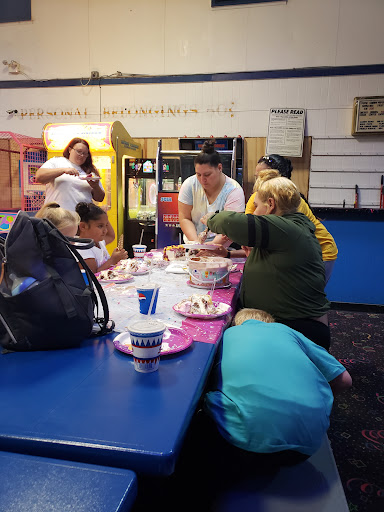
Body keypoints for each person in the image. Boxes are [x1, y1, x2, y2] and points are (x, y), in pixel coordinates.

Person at [202, 308, 352, 470]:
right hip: (306, 449)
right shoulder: (287, 332)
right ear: (270, 323)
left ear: (235, 323)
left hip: (241, 444)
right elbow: (345, 380)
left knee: (204, 399)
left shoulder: (227, 335)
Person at [203, 173, 332, 349]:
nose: (254, 212)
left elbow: (229, 221)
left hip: (297, 328)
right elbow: (271, 260)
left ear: (270, 204)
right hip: (293, 322)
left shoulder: (284, 227)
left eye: (256, 206)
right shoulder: (292, 228)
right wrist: (229, 255)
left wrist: (210, 218)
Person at [246, 154, 338, 284]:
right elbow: (247, 229)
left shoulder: (291, 203)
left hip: (321, 253)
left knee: (305, 297)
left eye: (265, 177)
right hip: (298, 255)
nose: (259, 182)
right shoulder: (258, 197)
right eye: (257, 177)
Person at [178, 139, 245, 245]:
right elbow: (185, 218)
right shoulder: (189, 184)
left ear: (219, 168)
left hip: (224, 249)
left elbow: (231, 227)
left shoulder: (233, 190)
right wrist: (196, 244)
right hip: (193, 246)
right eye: (198, 174)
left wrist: (211, 247)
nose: (202, 180)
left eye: (207, 175)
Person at [35, 138, 105, 212]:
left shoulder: (89, 170)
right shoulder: (57, 161)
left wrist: (95, 186)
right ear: (70, 150)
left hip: (82, 217)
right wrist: (62, 170)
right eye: (79, 151)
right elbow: (39, 177)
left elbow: (100, 198)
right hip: (57, 216)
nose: (81, 155)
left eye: (85, 154)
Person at [75, 202, 127, 273]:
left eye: (106, 225)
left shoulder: (99, 242)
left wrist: (103, 215)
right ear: (83, 226)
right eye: (100, 226)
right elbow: (93, 276)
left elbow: (111, 235)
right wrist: (113, 260)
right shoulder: (83, 249)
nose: (105, 230)